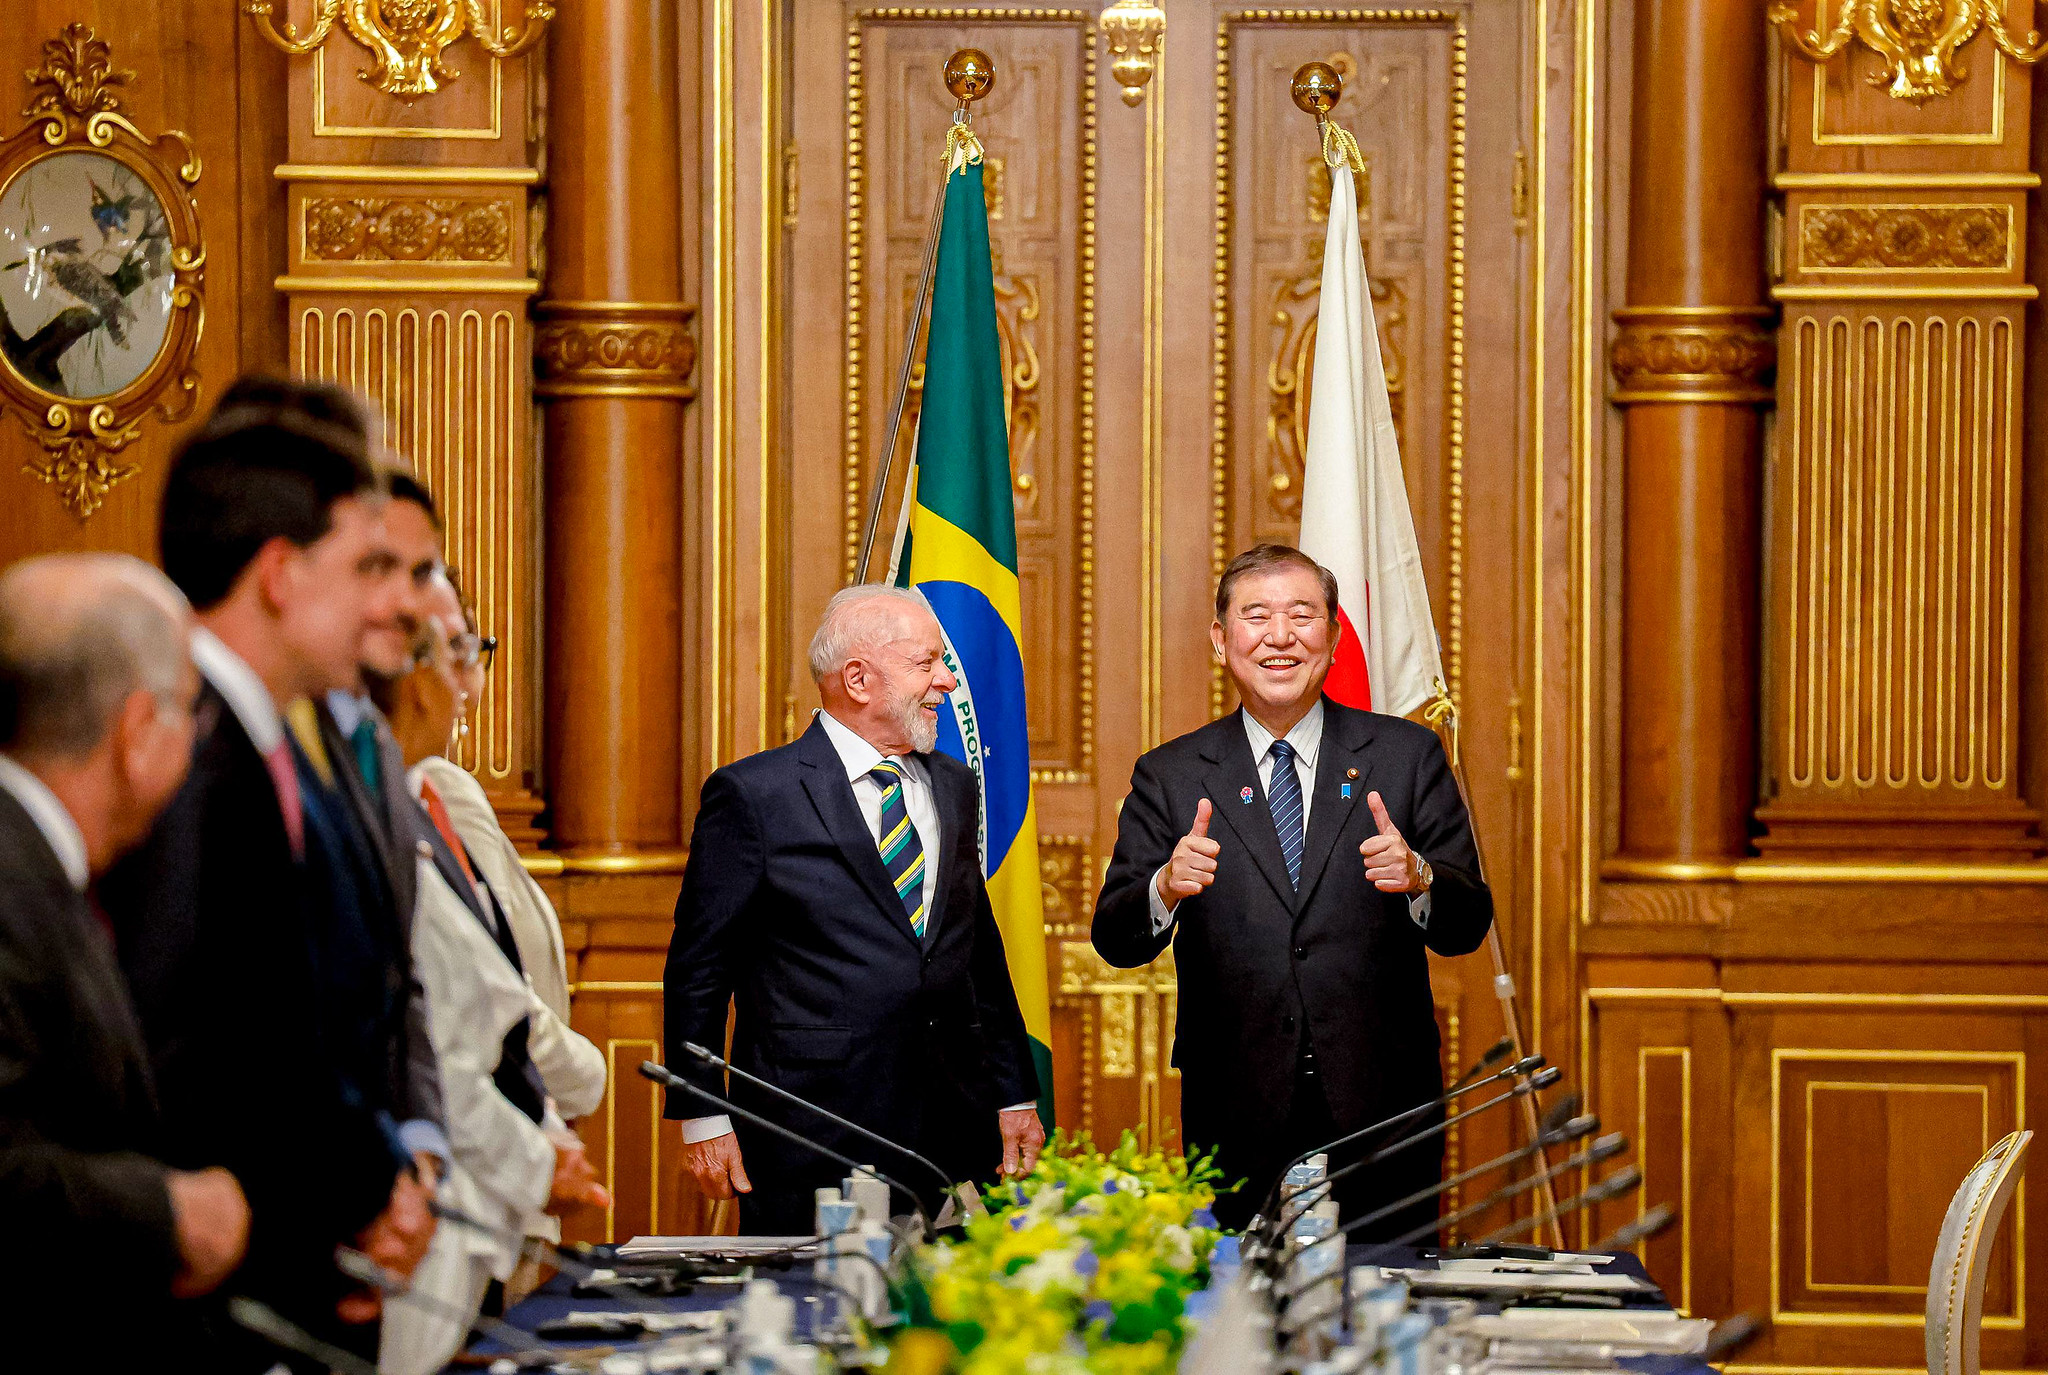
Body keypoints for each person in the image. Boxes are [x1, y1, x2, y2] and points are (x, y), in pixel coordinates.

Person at [98, 384, 442, 1367]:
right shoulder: (191, 751)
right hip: (215, 1296)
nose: (391, 604)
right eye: (366, 566)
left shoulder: (259, 745)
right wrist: (356, 1192)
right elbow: (188, 1052)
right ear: (282, 575)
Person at [1092, 544, 1493, 1236]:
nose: (1281, 636)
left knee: (1384, 1286)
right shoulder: (1172, 774)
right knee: (1240, 1295)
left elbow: (1468, 924)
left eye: (1302, 616)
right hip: (1235, 1105)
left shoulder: (1405, 757)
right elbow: (1115, 937)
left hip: (1384, 1106)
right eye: (1257, 617)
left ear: (1333, 637)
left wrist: (1421, 878)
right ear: (1221, 640)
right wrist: (1164, 887)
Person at [664, 585, 1044, 1235]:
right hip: (808, 1130)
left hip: (952, 1128)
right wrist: (702, 1112)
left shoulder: (953, 784)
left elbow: (977, 952)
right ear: (859, 679)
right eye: (926, 663)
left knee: (948, 1298)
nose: (948, 681)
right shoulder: (754, 795)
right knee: (815, 1298)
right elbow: (699, 969)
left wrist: (1013, 1091)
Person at [0, 554, 249, 1358]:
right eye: (189, 712)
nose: (195, 740)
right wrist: (165, 1210)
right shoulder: (11, 881)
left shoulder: (44, 864)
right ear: (138, 730)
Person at [374, 584, 608, 1374]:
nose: (471, 681)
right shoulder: (426, 795)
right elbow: (463, 1014)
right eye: (460, 654)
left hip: (484, 1171)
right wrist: (552, 1121)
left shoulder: (428, 792)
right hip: (420, 1196)